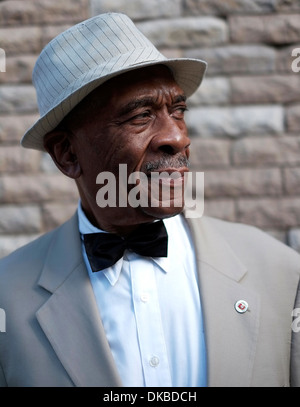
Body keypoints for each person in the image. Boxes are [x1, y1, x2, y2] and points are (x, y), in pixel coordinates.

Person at [0, 12, 299, 388]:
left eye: (178, 110)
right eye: (141, 115)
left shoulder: (281, 272)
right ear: (67, 154)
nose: (177, 137)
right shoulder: (7, 297)